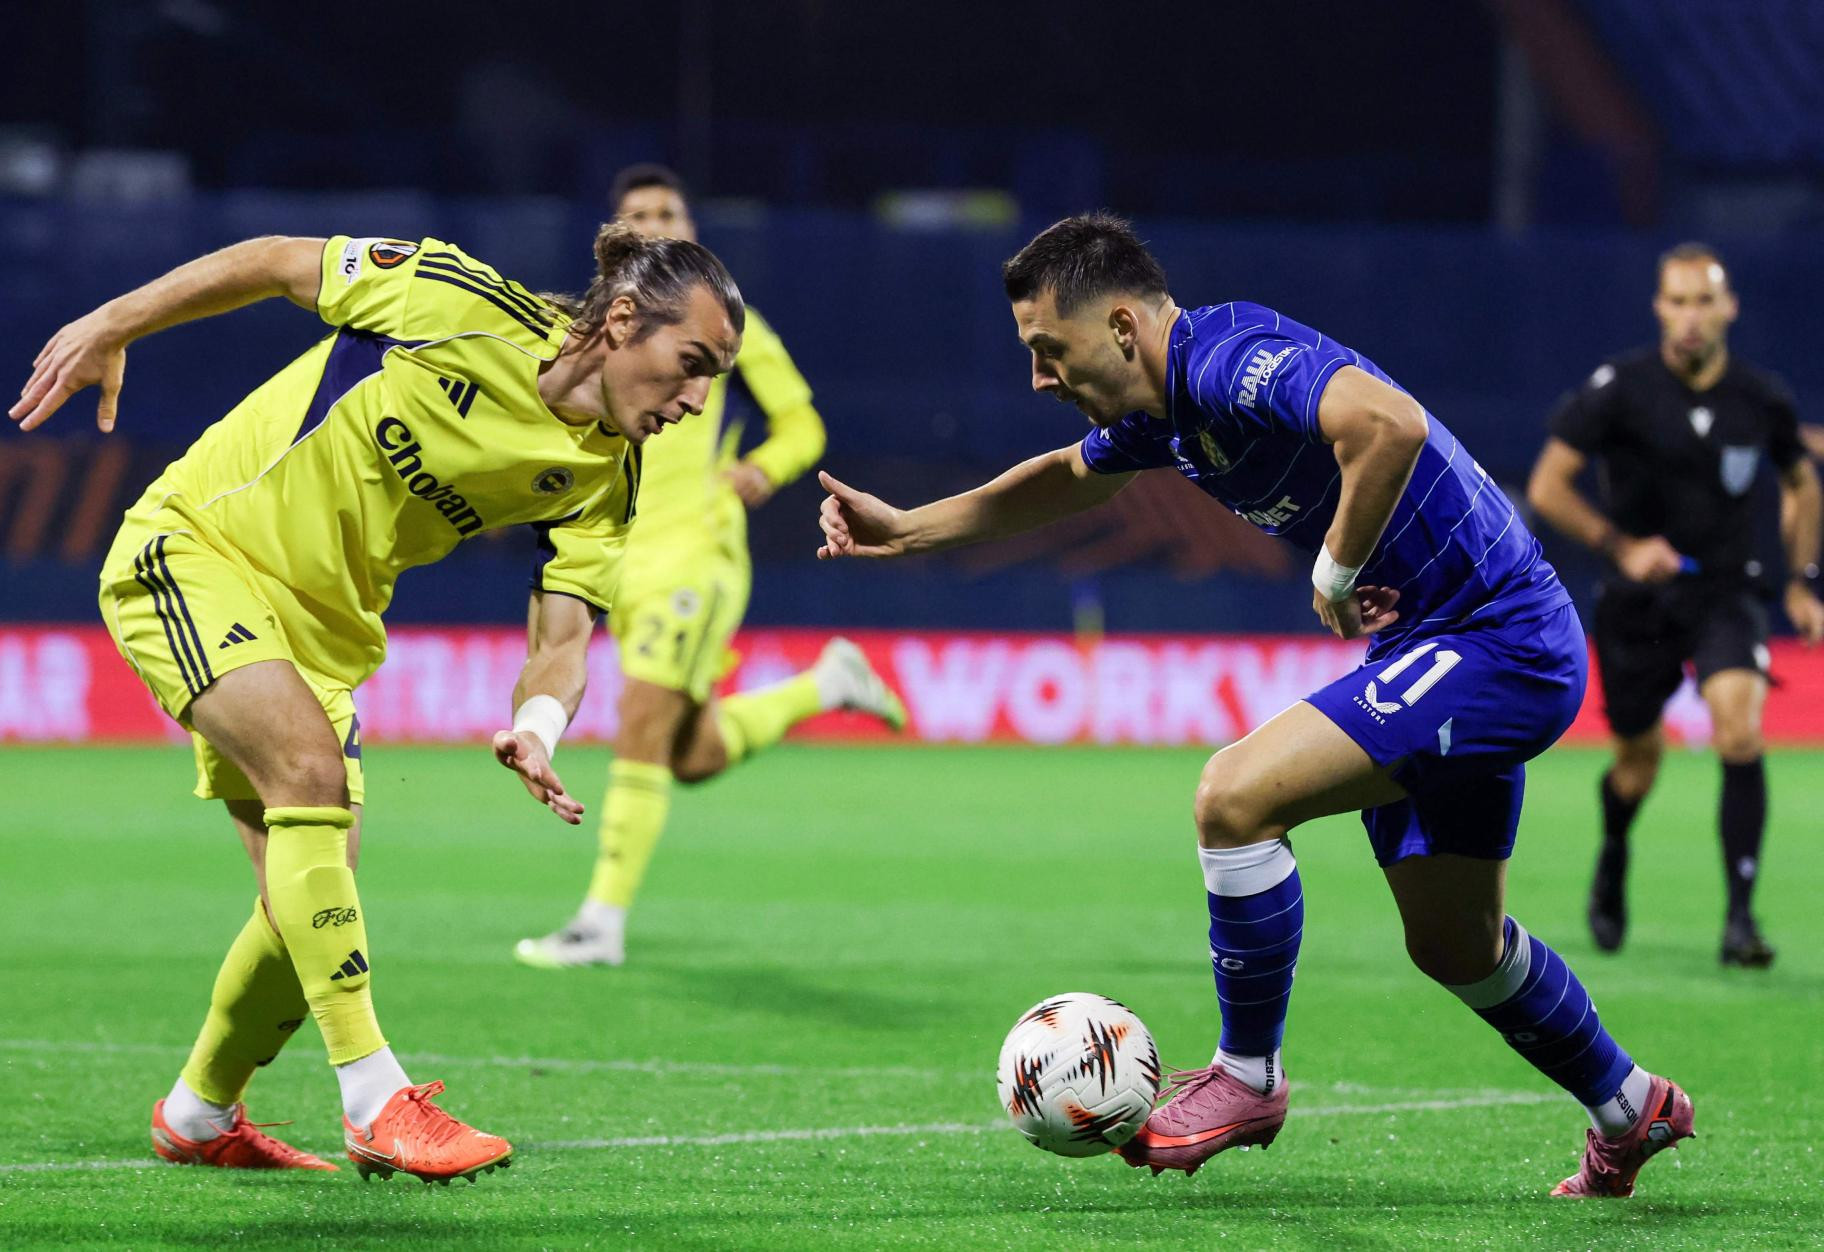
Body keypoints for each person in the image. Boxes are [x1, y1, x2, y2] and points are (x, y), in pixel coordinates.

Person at [816, 213, 1693, 1198]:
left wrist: (1336, 565)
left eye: (1048, 349)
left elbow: (1388, 424)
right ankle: (1631, 1105)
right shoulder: (1163, 413)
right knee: (1456, 944)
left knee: (1234, 797)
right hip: (1438, 648)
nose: (1039, 378)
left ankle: (1247, 1076)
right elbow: (1065, 481)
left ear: (1121, 326)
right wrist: (906, 530)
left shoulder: (1227, 360)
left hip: (1498, 641)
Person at [9, 224, 745, 1181]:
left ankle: (197, 1112)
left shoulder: (605, 479)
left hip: (323, 644)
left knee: (309, 909)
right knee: (309, 778)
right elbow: (274, 261)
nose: (697, 401)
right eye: (691, 364)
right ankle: (374, 1095)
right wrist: (115, 323)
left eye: (713, 379)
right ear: (620, 321)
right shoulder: (457, 301)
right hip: (197, 550)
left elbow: (562, 643)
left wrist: (537, 726)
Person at [514, 165, 904, 970]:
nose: (656, 224)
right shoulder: (593, 329)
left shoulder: (730, 326)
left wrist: (763, 468)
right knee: (687, 756)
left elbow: (802, 424)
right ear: (614, 237)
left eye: (670, 211)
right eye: (639, 214)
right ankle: (825, 685)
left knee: (639, 721)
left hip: (694, 551)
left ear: (691, 228)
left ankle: (600, 923)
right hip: (615, 555)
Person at [1527, 242, 1822, 968]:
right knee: (1638, 764)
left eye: (1704, 301)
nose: (1691, 316)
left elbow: (1802, 484)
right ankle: (1614, 850)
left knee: (1740, 732)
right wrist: (1620, 545)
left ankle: (1740, 921)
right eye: (1679, 301)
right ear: (1660, 307)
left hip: (1727, 591)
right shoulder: (1619, 389)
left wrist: (1800, 580)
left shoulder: (1761, 398)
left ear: (1729, 308)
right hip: (1638, 601)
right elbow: (1548, 486)